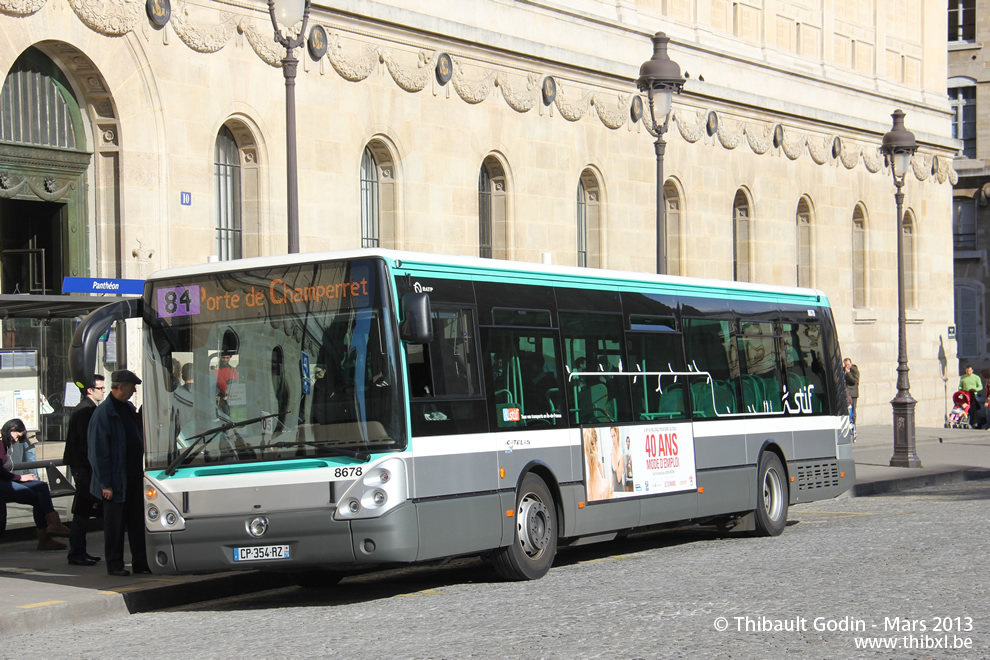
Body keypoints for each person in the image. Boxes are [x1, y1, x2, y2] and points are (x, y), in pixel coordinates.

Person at [88, 370, 151, 577]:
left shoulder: (128, 408)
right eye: (132, 387)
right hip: (115, 480)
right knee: (114, 526)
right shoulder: (104, 413)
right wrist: (105, 483)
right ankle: (114, 565)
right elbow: (98, 452)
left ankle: (140, 562)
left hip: (133, 476)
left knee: (136, 523)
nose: (134, 391)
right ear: (121, 387)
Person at [0, 418, 71, 550]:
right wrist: (20, 478)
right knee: (39, 497)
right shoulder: (0, 442)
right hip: (3, 483)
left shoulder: (4, 442)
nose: (16, 440)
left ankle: (53, 525)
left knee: (42, 487)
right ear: (12, 430)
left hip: (5, 480)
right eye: (17, 436)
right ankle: (46, 535)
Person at [62, 374, 106, 566]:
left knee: (85, 509)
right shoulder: (85, 411)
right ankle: (76, 552)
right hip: (83, 466)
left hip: (83, 465)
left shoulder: (90, 409)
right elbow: (85, 442)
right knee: (82, 510)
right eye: (101, 388)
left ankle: (80, 550)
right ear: (90, 390)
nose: (104, 391)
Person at [843, 358, 859, 422]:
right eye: (845, 365)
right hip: (846, 392)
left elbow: (854, 381)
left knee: (853, 410)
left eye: (848, 364)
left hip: (852, 393)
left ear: (851, 363)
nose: (847, 366)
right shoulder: (843, 370)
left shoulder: (854, 370)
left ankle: (853, 423)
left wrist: (848, 373)